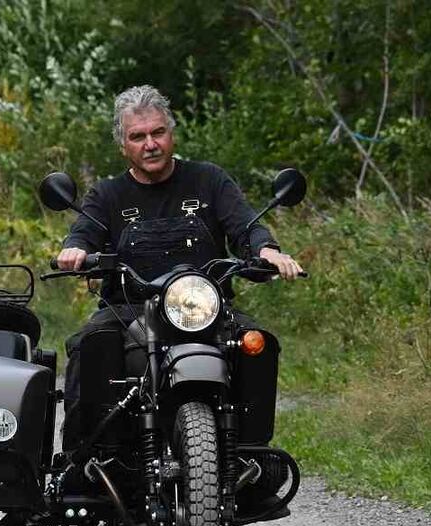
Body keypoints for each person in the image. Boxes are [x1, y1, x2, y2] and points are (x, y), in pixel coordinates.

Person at [55, 85, 305, 447]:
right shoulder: (107, 194)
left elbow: (245, 226)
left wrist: (267, 251)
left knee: (258, 345)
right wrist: (75, 250)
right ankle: (85, 460)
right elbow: (84, 232)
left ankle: (252, 456)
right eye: (137, 137)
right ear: (123, 145)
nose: (150, 144)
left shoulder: (209, 180)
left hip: (205, 308)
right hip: (129, 310)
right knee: (89, 345)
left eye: (158, 132)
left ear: (171, 133)